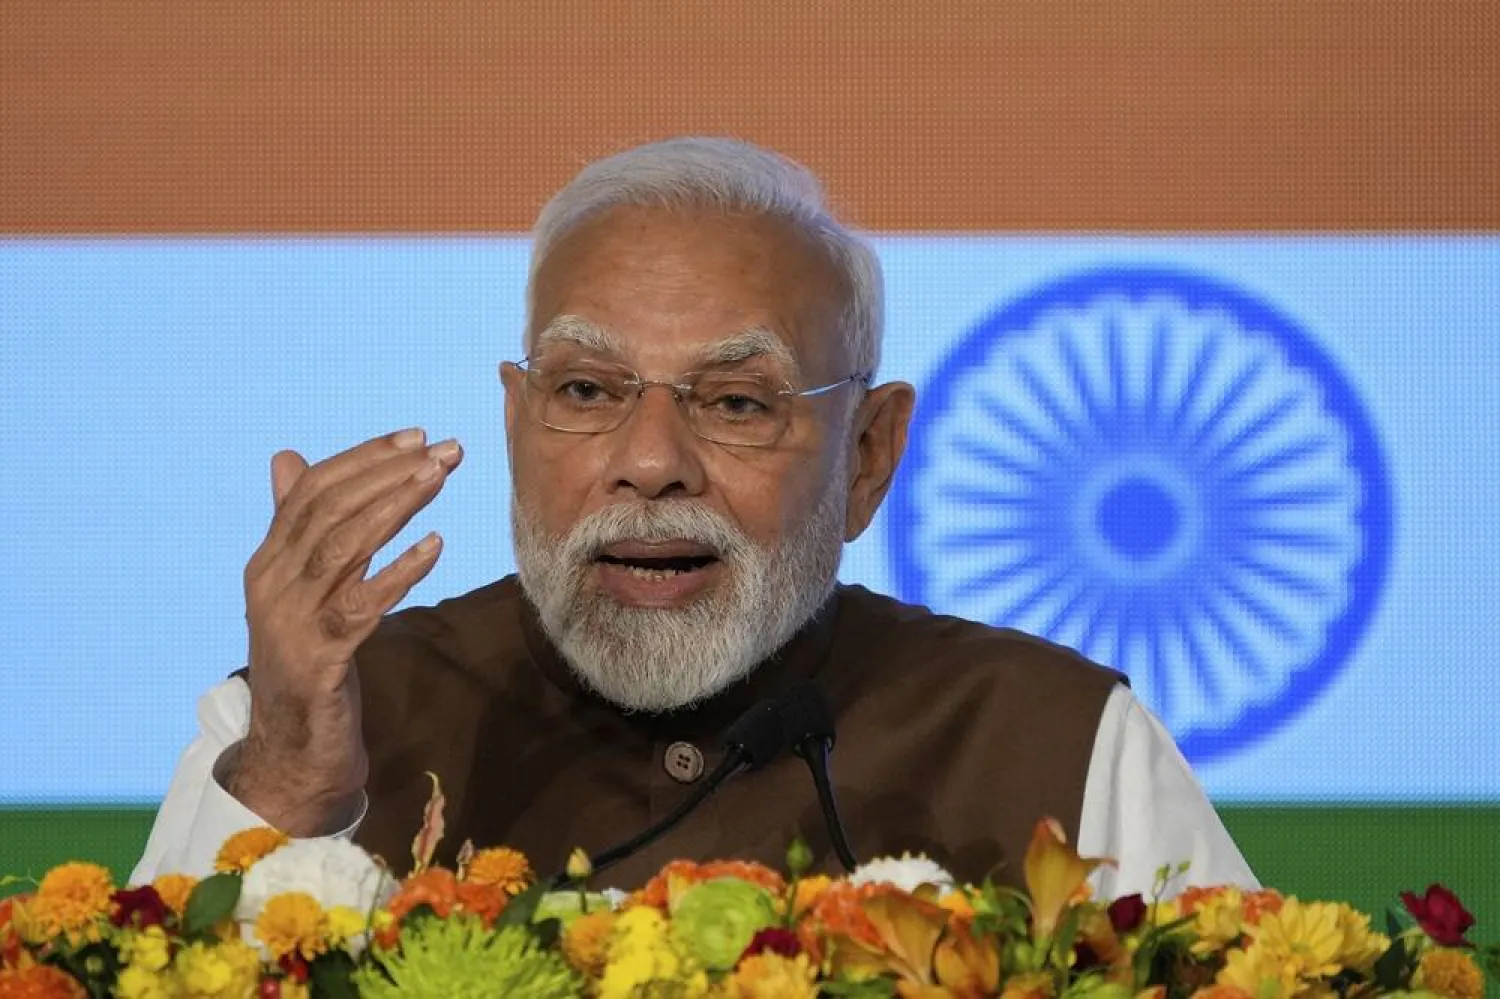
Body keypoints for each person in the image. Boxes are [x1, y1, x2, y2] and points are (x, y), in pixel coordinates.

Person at [132, 137, 1255, 894]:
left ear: (869, 454)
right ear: (518, 422)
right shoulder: (304, 722)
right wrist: (292, 783)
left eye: (734, 402)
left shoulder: (1054, 739)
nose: (651, 463)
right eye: (585, 391)